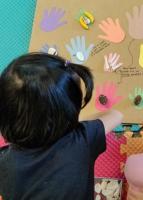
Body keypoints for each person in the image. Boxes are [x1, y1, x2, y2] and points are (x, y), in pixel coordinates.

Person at [0, 53, 123, 200]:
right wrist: (75, 125)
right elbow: (116, 115)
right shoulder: (82, 141)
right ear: (68, 114)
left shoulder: (4, 160)